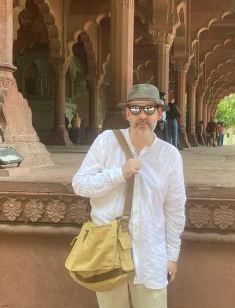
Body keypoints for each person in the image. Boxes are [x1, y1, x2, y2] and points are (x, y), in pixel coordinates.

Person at [72, 84, 186, 308]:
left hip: (150, 256)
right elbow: (80, 185)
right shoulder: (107, 142)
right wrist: (119, 174)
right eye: (135, 109)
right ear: (127, 113)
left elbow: (174, 209)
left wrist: (172, 255)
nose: (142, 116)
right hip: (108, 254)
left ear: (159, 114)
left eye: (149, 109)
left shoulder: (169, 155)